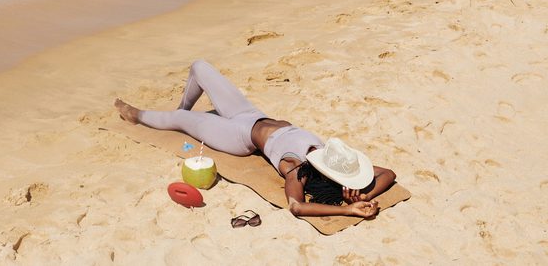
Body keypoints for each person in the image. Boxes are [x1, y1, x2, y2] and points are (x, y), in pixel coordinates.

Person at [115, 60, 396, 218]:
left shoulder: (298, 170)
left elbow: (296, 206)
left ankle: (137, 115)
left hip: (238, 137)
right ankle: (185, 113)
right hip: (250, 113)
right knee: (200, 67)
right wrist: (366, 195)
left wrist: (350, 210)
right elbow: (388, 173)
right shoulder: (335, 157)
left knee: (179, 122)